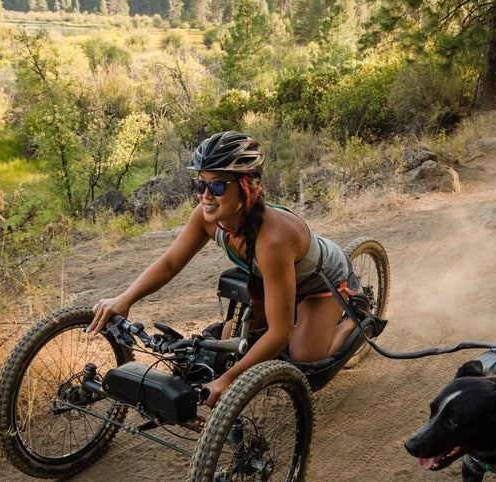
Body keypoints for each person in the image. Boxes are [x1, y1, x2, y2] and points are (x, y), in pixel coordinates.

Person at [86, 131, 360, 407]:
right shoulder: (206, 218)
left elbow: (280, 332)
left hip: (320, 284)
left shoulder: (273, 239)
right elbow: (169, 264)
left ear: (248, 187)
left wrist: (227, 380)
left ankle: (352, 321)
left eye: (217, 187)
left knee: (305, 362)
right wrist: (125, 298)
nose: (206, 195)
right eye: (200, 185)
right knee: (226, 345)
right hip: (269, 281)